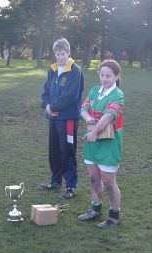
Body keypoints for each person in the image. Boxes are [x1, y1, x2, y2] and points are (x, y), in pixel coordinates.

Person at [78, 59, 124, 229]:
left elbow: (108, 117)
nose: (104, 79)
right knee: (93, 178)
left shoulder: (118, 95)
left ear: (116, 76)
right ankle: (95, 209)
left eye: (109, 76)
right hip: (92, 142)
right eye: (102, 75)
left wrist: (94, 132)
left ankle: (114, 215)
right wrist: (88, 117)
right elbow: (83, 108)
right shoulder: (94, 91)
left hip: (108, 144)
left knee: (109, 182)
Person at [38, 38, 85, 199]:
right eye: (57, 54)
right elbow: (45, 92)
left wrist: (54, 107)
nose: (60, 57)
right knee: (54, 150)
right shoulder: (53, 70)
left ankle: (71, 186)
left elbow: (70, 96)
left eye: (63, 54)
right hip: (53, 118)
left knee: (68, 151)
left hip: (68, 119)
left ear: (68, 53)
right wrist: (46, 105)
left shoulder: (75, 71)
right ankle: (55, 180)